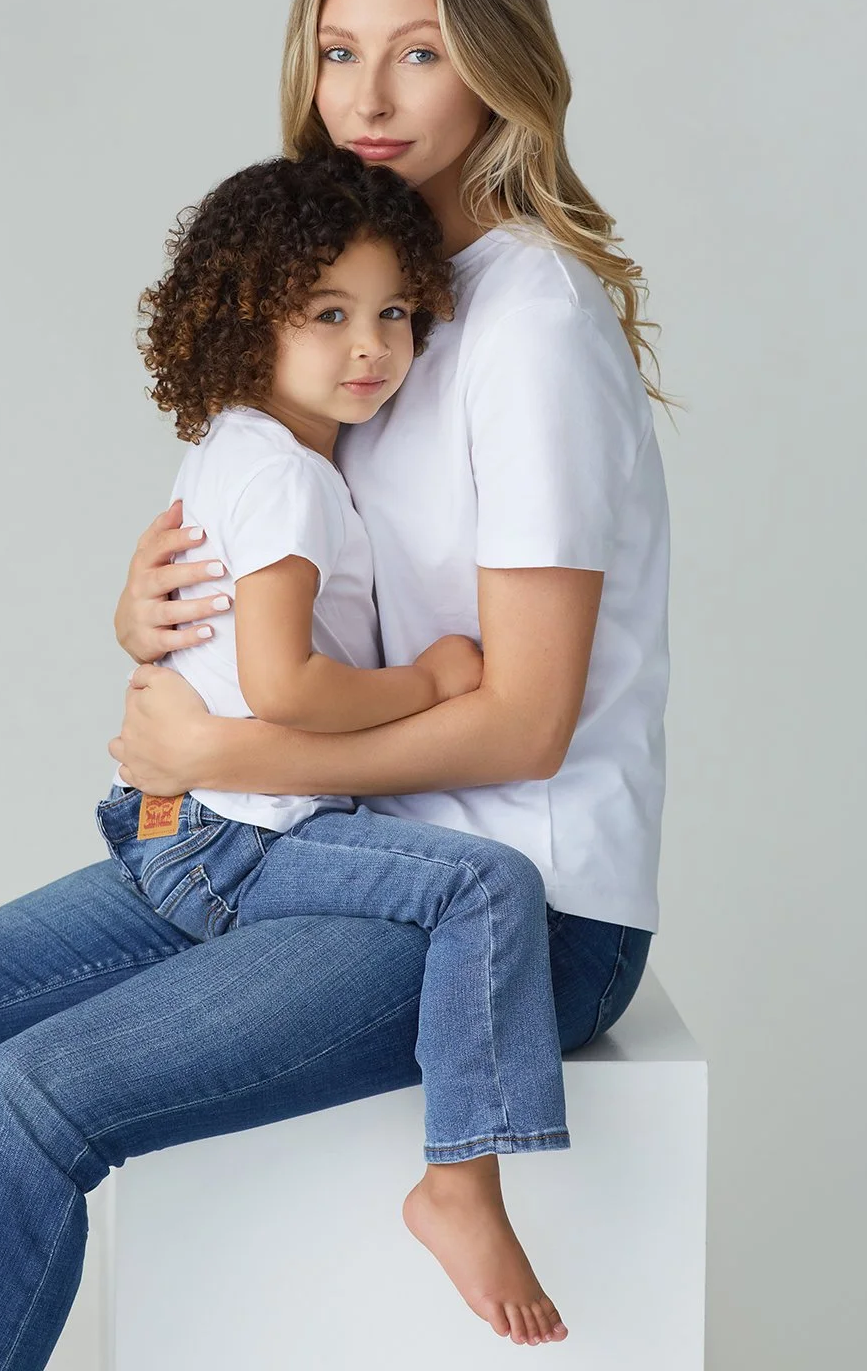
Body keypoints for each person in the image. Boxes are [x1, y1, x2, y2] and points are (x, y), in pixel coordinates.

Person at [0, 0, 669, 1367]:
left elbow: (527, 718)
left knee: (38, 1093)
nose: (365, 96)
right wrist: (144, 605)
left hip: (510, 902)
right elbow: (290, 533)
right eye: (335, 50)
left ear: (496, 62)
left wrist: (230, 742)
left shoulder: (530, 324)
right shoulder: (374, 293)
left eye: (417, 52)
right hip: (308, 842)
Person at [96, 144, 572, 1341]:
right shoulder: (291, 482)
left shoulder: (240, 448)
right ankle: (459, 1182)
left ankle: (459, 1178)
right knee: (484, 885)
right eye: (328, 315)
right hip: (230, 838)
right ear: (243, 316)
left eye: (394, 314)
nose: (371, 347)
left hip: (180, 819)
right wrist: (421, 680)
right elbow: (285, 687)